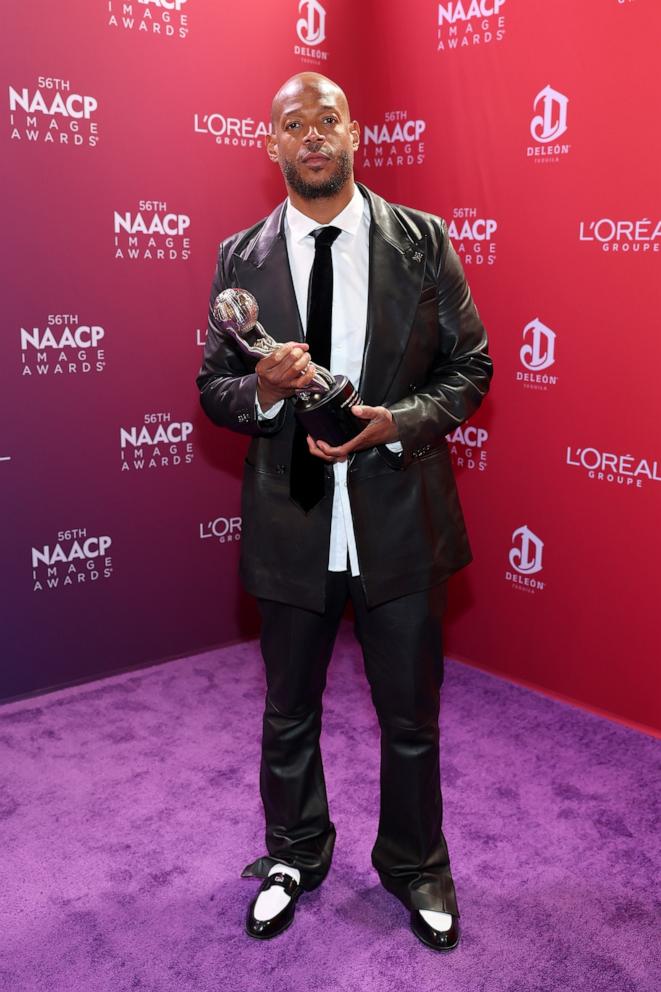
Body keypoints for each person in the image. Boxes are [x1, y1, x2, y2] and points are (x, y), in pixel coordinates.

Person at [196, 71, 493, 952]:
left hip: (399, 515)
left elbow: (470, 369)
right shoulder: (237, 259)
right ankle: (292, 852)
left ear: (355, 133)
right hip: (291, 522)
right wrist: (260, 386)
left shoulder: (424, 240)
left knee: (410, 713)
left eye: (327, 119)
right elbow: (212, 391)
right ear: (272, 146)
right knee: (287, 708)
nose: (312, 135)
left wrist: (390, 424)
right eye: (295, 124)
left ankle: (415, 863)